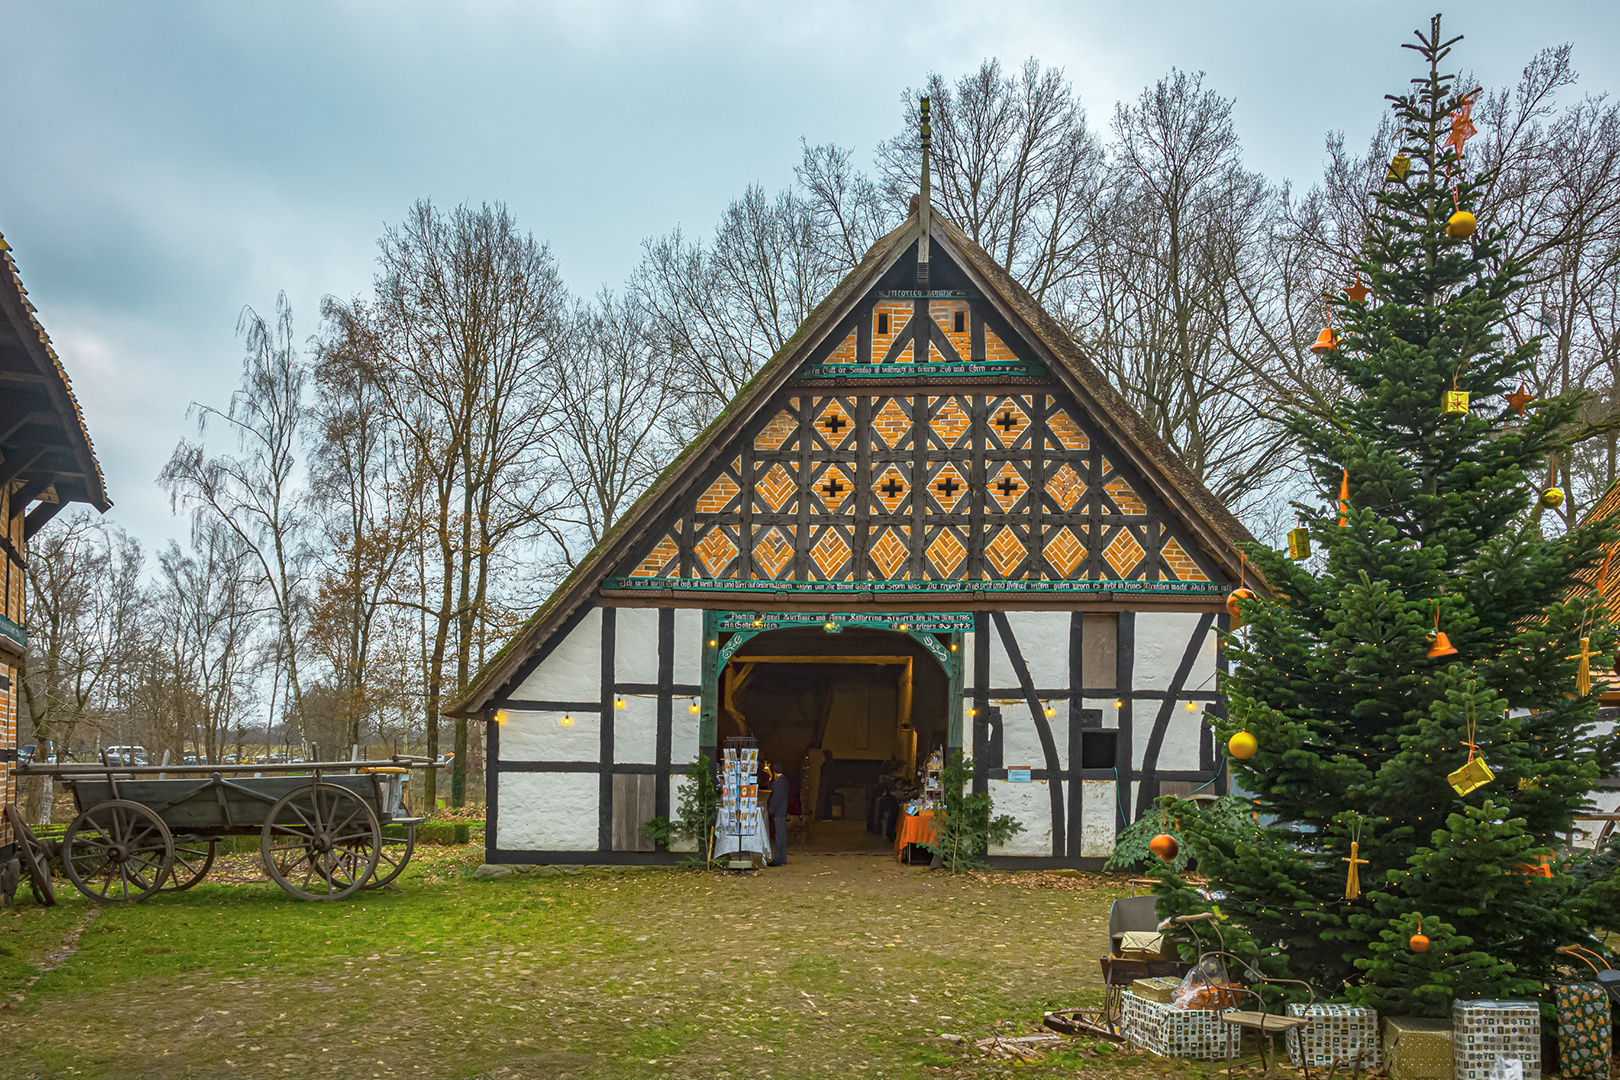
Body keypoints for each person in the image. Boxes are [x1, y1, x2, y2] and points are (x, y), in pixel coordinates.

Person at [766, 762, 789, 866]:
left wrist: (772, 809)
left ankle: (779, 859)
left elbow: (776, 798)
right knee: (781, 835)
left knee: (779, 836)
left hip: (779, 812)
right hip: (781, 811)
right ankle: (781, 858)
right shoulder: (784, 781)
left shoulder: (779, 782)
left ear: (774, 772)